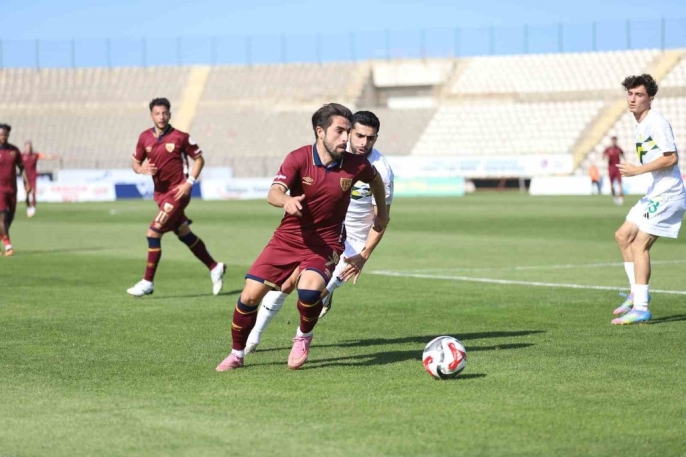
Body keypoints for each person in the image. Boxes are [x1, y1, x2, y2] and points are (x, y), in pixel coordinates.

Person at [215, 103, 390, 371]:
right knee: (249, 296)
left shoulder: (356, 164)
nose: (346, 138)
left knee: (309, 291)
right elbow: (273, 192)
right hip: (287, 238)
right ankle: (237, 355)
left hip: (327, 241)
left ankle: (303, 336)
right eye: (340, 131)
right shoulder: (299, 158)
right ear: (320, 132)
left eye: (348, 132)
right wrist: (285, 200)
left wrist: (382, 213)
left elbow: (375, 179)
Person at [126, 98, 226, 297]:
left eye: (165, 113)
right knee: (184, 233)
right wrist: (140, 169)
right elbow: (135, 162)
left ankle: (147, 282)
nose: (161, 117)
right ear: (151, 115)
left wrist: (189, 182)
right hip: (160, 195)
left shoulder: (181, 137)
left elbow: (199, 159)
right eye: (157, 113)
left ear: (170, 114)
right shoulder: (144, 137)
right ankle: (215, 267)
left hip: (178, 193)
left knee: (153, 234)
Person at [612, 74, 686, 325]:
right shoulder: (640, 122)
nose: (633, 99)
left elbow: (671, 158)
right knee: (623, 236)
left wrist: (637, 171)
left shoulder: (656, 122)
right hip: (656, 190)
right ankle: (636, 292)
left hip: (668, 193)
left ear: (650, 98)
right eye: (630, 94)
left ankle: (641, 307)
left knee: (639, 245)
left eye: (639, 95)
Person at [0, 124, 30, 257]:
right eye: (1, 135)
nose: (3, 137)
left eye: (5, 134)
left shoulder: (14, 150)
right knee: (2, 216)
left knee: (10, 217)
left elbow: (21, 168)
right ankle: (8, 247)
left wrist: (27, 183)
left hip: (12, 188)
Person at [21, 140, 60, 218]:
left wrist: (55, 157)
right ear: (25, 148)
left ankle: (33, 207)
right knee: (27, 195)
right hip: (25, 177)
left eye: (29, 147)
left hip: (33, 177)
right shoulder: (22, 156)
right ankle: (28, 207)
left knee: (33, 192)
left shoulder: (35, 155)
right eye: (27, 147)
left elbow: (46, 157)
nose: (28, 148)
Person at [603, 136, 625, 205]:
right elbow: (603, 156)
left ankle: (621, 197)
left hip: (618, 168)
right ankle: (614, 195)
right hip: (611, 168)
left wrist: (625, 162)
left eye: (615, 140)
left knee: (620, 183)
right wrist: (605, 157)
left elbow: (623, 155)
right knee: (611, 184)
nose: (614, 142)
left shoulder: (618, 149)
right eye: (613, 140)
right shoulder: (608, 149)